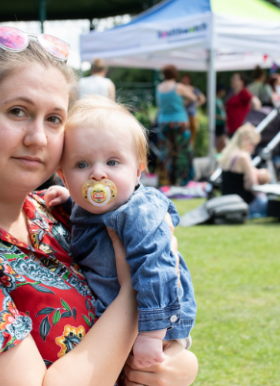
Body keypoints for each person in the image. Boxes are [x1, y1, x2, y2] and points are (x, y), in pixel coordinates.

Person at [0, 26, 198, 386]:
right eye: (17, 111)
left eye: (54, 119)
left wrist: (178, 367)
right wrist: (132, 297)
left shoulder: (57, 213)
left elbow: (168, 354)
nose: (37, 138)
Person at [44, 96, 196, 369]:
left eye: (113, 162)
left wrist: (151, 333)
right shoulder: (88, 207)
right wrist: (68, 200)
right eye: (82, 165)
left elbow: (156, 268)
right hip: (115, 323)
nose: (98, 174)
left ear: (138, 172)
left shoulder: (138, 212)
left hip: (152, 324)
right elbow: (91, 218)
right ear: (63, 176)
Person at [156, 64, 197, 186]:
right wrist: (183, 102)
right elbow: (194, 98)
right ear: (175, 74)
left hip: (163, 122)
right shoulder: (179, 87)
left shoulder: (159, 88)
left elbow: (160, 105)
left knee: (166, 152)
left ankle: (166, 180)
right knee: (183, 152)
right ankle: (184, 180)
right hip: (180, 122)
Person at [219, 123, 270, 218]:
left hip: (226, 202)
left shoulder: (228, 154)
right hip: (241, 204)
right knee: (268, 202)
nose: (253, 149)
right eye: (252, 144)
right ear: (245, 138)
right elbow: (253, 186)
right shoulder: (243, 157)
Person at [225, 73, 261, 137]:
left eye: (235, 79)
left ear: (242, 82)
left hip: (240, 128)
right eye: (232, 79)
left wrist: (254, 118)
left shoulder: (243, 92)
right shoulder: (232, 93)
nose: (232, 80)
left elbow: (256, 102)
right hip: (232, 128)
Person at [180, 74, 206, 147]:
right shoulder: (180, 89)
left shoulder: (193, 89)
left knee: (192, 135)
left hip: (192, 114)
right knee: (184, 135)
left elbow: (202, 99)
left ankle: (190, 151)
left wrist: (195, 104)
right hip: (184, 115)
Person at [215, 84, 228, 152]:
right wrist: (222, 118)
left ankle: (217, 157)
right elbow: (212, 114)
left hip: (222, 124)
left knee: (221, 144)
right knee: (225, 143)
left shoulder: (219, 100)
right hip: (217, 124)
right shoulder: (214, 100)